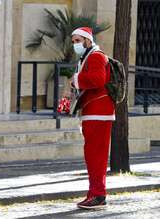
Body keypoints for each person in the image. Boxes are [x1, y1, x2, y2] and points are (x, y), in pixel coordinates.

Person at [70, 27, 115, 209]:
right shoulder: (88, 56)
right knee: (93, 156)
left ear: (88, 40)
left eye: (78, 41)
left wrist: (76, 79)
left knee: (96, 156)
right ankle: (94, 194)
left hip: (99, 113)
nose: (75, 45)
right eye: (73, 42)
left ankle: (98, 196)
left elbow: (98, 79)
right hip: (94, 112)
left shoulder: (96, 56)